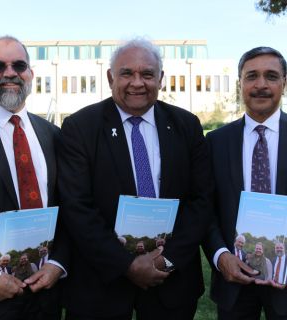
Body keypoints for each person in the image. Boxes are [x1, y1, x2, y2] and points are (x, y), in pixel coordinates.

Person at [50, 38, 213, 320]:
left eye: (147, 74)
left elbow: (201, 200)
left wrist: (167, 259)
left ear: (161, 78)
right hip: (101, 286)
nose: (137, 82)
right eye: (127, 73)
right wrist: (126, 264)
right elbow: (77, 206)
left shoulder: (187, 125)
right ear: (111, 77)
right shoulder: (80, 127)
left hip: (171, 285)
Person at [0, 35, 63, 320]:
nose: (10, 73)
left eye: (19, 65)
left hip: (45, 296)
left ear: (30, 75)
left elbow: (70, 208)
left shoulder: (53, 135)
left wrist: (57, 263)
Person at [203, 46, 287, 319]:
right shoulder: (216, 142)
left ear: (284, 82)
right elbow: (205, 208)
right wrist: (220, 255)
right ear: (240, 83)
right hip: (233, 279)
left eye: (271, 76)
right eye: (252, 76)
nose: (261, 85)